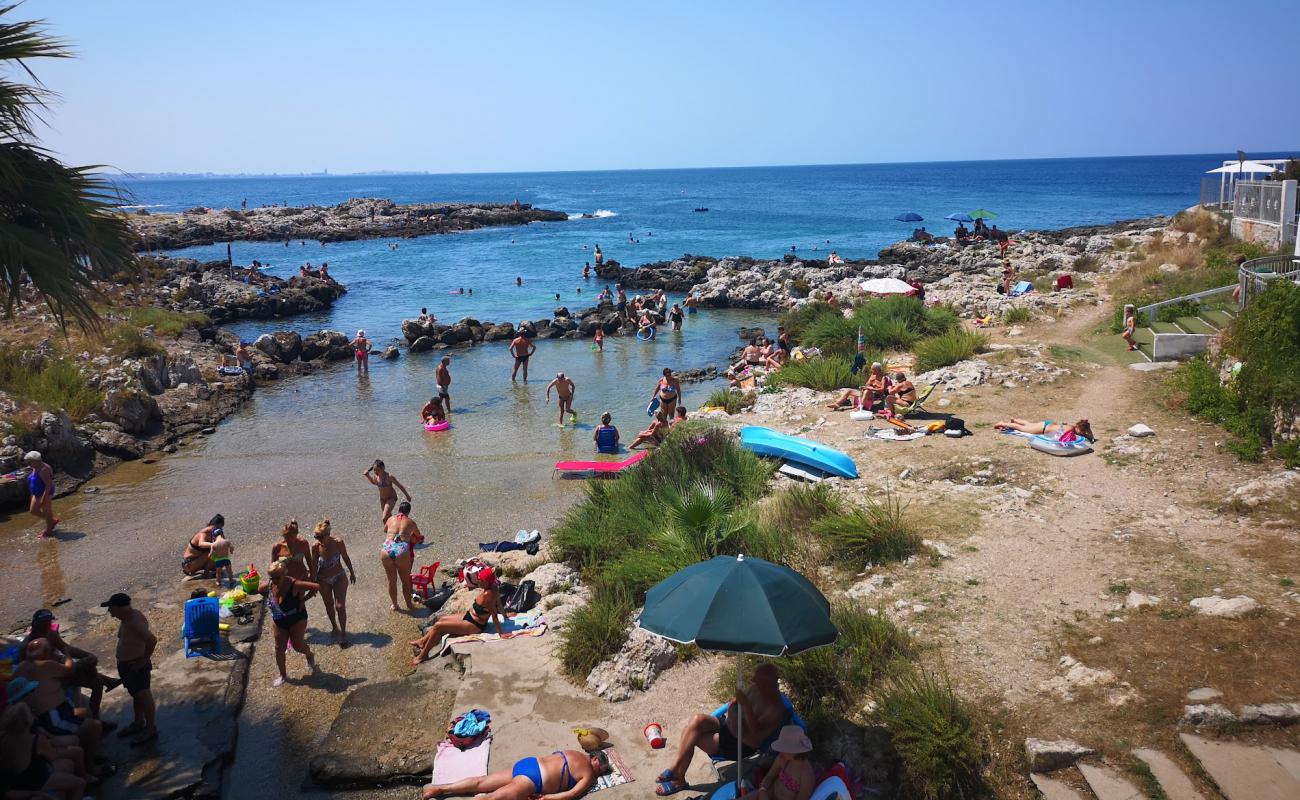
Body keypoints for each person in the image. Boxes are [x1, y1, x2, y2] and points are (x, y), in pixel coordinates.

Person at [656, 664, 790, 796]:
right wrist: (735, 704)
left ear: (769, 683)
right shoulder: (757, 688)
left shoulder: (775, 709)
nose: (753, 682)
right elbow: (734, 701)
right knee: (697, 720)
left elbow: (754, 731)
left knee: (692, 735)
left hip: (738, 744)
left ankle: (679, 780)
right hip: (727, 724)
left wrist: (746, 706)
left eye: (758, 681)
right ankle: (674, 768)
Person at [17, 610, 117, 728]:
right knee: (87, 667)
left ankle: (97, 719)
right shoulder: (27, 647)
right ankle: (108, 681)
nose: (46, 627)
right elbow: (31, 672)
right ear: (34, 625)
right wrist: (79, 661)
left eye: (48, 623)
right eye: (42, 624)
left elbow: (67, 648)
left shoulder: (51, 634)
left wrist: (87, 655)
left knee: (96, 681)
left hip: (61, 670)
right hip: (50, 680)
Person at [14, 639, 104, 762]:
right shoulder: (45, 665)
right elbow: (69, 669)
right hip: (53, 717)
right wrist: (66, 655)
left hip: (45, 715)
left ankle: (89, 751)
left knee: (86, 712)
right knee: (95, 726)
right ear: (47, 652)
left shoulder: (20, 668)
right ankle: (91, 766)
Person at [410, 564, 509, 665]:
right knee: (441, 618)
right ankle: (422, 641)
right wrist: (505, 616)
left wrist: (500, 633)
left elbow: (494, 615)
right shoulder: (493, 586)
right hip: (470, 616)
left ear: (486, 582)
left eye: (480, 580)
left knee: (438, 626)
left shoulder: (488, 595)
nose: (478, 581)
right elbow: (500, 604)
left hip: (475, 625)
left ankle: (422, 656)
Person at [424, 749, 608, 800]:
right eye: (602, 769)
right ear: (596, 762)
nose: (599, 773)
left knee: (481, 782)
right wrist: (548, 798)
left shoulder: (574, 752)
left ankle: (440, 788)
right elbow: (571, 794)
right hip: (535, 779)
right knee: (491, 798)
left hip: (528, 764)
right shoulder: (589, 773)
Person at [0, 703, 88, 800]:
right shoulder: (35, 739)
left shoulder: (3, 737)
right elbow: (52, 756)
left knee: (68, 764)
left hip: (16, 782)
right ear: (27, 721)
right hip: (36, 781)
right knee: (80, 784)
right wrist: (56, 745)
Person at [103, 593, 157, 746]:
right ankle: (139, 722)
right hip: (128, 665)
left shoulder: (134, 621)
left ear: (120, 608)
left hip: (136, 665)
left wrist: (144, 660)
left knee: (144, 695)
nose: (109, 612)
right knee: (136, 695)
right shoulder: (128, 618)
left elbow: (151, 640)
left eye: (111, 608)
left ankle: (150, 729)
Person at [258, 562, 319, 687]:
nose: (274, 581)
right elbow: (259, 590)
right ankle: (283, 675)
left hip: (297, 618)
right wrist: (271, 600)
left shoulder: (295, 584)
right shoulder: (268, 586)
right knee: (279, 648)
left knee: (297, 646)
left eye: (277, 577)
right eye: (272, 577)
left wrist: (303, 600)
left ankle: (309, 655)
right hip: (279, 620)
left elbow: (316, 586)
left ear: (285, 574)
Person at [312, 519, 356, 646]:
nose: (318, 539)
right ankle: (334, 627)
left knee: (340, 606)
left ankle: (343, 632)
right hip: (322, 579)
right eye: (316, 536)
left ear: (328, 534)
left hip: (339, 576)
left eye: (321, 536)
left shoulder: (338, 542)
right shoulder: (315, 547)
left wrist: (352, 572)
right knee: (328, 604)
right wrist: (312, 583)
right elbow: (314, 565)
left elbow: (346, 557)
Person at [751, 727, 816, 800]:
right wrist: (762, 789)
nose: (781, 751)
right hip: (770, 792)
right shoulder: (782, 758)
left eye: (785, 748)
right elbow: (769, 776)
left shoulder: (806, 774)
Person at [381, 501, 420, 612]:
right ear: (408, 511)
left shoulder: (390, 519)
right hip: (401, 549)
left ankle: (395, 605)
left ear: (399, 510)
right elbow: (419, 536)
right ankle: (409, 605)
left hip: (387, 548)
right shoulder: (411, 522)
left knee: (391, 581)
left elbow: (385, 530)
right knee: (405, 581)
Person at [363, 459, 411, 523]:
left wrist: (407, 495)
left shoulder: (389, 476)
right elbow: (374, 482)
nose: (375, 471)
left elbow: (400, 486)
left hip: (391, 498)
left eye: (377, 469)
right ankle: (393, 529)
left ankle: (395, 525)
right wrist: (368, 476)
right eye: (374, 470)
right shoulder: (376, 477)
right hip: (382, 499)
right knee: (387, 518)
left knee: (384, 517)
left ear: (382, 468)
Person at [271, 519, 316, 584]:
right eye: (286, 537)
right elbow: (273, 568)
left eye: (291, 537)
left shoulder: (303, 543)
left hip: (302, 578)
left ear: (296, 534)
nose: (289, 539)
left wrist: (312, 577)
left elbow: (309, 562)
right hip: (285, 581)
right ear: (283, 535)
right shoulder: (277, 547)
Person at [24, 451, 56, 538]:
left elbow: (48, 485)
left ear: (36, 460)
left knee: (47, 511)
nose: (28, 463)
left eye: (30, 462)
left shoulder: (44, 469)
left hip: (45, 493)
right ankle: (52, 521)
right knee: (33, 511)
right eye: (28, 462)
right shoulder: (35, 467)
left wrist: (44, 498)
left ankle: (48, 532)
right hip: (36, 493)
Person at [994, 418, 1096, 442]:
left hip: (1046, 424)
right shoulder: (1070, 429)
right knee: (1022, 429)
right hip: (1043, 429)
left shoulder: (1073, 426)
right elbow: (1059, 437)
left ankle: (1015, 419)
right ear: (1079, 428)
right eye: (1082, 432)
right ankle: (1003, 423)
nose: (1082, 434)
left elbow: (1091, 438)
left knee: (1030, 424)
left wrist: (1089, 429)